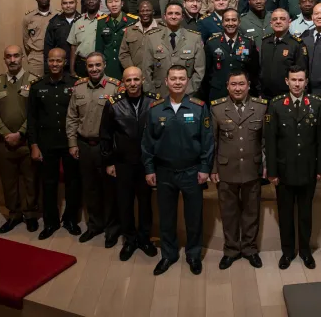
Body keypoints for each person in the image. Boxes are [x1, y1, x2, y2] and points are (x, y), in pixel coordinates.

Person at [142, 66, 214, 276]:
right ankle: (168, 254)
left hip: (192, 171)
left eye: (181, 79)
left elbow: (207, 141)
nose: (177, 82)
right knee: (167, 217)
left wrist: (205, 168)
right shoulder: (155, 109)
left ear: (187, 81)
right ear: (166, 81)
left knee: (194, 217)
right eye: (173, 78)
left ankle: (193, 255)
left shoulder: (199, 107)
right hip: (164, 172)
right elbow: (147, 143)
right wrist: (148, 168)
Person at [265, 66, 321, 269]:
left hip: (308, 169)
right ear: (287, 81)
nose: (297, 84)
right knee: (285, 214)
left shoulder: (316, 104)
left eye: (301, 80)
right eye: (293, 80)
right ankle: (287, 252)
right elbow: (270, 141)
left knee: (305, 214)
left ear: (306, 82)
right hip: (283, 172)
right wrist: (272, 171)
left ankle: (305, 251)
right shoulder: (276, 105)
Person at [99, 66, 159, 261]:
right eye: (128, 80)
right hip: (122, 163)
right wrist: (109, 162)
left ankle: (144, 238)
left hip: (146, 163)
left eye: (136, 79)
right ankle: (130, 240)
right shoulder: (113, 104)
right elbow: (105, 135)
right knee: (124, 204)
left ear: (142, 80)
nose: (132, 84)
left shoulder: (153, 101)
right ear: (123, 83)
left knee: (145, 204)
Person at [210, 71, 267, 269]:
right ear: (227, 86)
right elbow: (213, 142)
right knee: (229, 213)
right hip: (227, 169)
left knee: (252, 212)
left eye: (241, 84)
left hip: (252, 168)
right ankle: (231, 250)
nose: (237, 88)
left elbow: (265, 141)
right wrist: (214, 168)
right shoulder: (217, 109)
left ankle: (250, 249)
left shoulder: (261, 107)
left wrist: (266, 166)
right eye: (233, 84)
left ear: (248, 85)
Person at [66, 52, 121, 247]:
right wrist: (72, 143)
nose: (94, 69)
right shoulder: (79, 87)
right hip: (84, 146)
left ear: (105, 65)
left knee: (109, 190)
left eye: (98, 65)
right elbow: (71, 117)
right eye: (90, 66)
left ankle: (112, 230)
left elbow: (119, 122)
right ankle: (94, 225)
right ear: (86, 67)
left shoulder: (115, 87)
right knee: (90, 189)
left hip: (105, 147)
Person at [0, 46, 40, 234]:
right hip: (4, 144)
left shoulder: (34, 82)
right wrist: (7, 133)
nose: (13, 59)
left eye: (16, 56)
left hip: (27, 143)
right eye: (9, 56)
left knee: (31, 181)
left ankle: (31, 215)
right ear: (4, 60)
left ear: (22, 57)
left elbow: (36, 112)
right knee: (8, 182)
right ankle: (14, 215)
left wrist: (21, 133)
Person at [27, 48, 81, 240]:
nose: (55, 64)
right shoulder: (37, 86)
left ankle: (71, 220)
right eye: (52, 61)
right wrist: (33, 144)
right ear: (47, 62)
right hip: (46, 143)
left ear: (65, 62)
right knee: (48, 184)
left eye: (59, 61)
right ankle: (50, 222)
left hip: (70, 142)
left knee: (73, 183)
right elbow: (31, 119)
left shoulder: (76, 84)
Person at [141, 2, 206, 97]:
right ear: (165, 16)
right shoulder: (152, 38)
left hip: (186, 95)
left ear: (182, 16)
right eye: (170, 13)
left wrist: (187, 91)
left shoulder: (194, 38)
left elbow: (199, 70)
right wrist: (152, 94)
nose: (173, 16)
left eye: (177, 13)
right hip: (159, 94)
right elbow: (146, 70)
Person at [202, 9, 260, 101]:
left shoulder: (248, 43)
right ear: (222, 23)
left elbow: (254, 71)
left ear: (239, 22)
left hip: (242, 94)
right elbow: (207, 72)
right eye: (227, 20)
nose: (230, 23)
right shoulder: (212, 43)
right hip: (219, 93)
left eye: (234, 20)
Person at [260, 9, 309, 99]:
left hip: (287, 97)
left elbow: (302, 74)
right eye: (275, 19)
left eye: (282, 19)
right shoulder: (265, 42)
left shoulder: (297, 44)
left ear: (289, 22)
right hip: (265, 96)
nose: (278, 22)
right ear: (271, 23)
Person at [95, 0, 137, 78]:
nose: (113, 4)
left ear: (122, 3)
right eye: (110, 2)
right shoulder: (101, 22)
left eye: (116, 1)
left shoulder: (132, 21)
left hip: (127, 66)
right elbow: (99, 48)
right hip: (109, 67)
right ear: (106, 5)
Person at [69, 0, 103, 77]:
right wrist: (72, 69)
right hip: (81, 64)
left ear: (100, 1)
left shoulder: (106, 19)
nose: (91, 1)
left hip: (100, 65)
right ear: (84, 2)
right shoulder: (78, 21)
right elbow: (73, 46)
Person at [23, 0, 54, 76]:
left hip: (54, 57)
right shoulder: (28, 17)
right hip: (36, 58)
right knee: (35, 85)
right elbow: (26, 39)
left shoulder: (58, 15)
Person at [44, 0, 80, 71]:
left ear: (76, 3)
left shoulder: (83, 20)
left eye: (71, 3)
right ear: (61, 5)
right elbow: (48, 46)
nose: (68, 6)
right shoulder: (54, 22)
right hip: (58, 65)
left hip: (79, 64)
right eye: (65, 3)